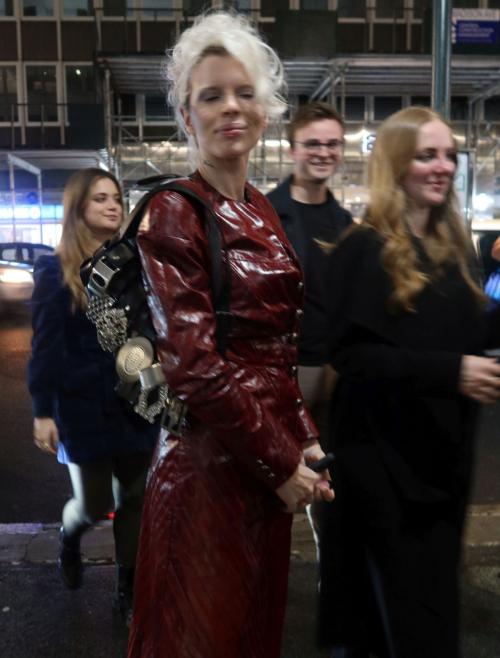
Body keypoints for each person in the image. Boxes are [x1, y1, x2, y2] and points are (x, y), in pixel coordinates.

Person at [127, 11, 334, 658]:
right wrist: (281, 461)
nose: (230, 108)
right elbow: (195, 368)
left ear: (266, 111)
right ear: (187, 118)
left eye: (244, 92)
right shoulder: (173, 211)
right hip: (206, 478)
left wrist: (305, 442)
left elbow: (276, 347)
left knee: (251, 637)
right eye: (210, 96)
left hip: (257, 468)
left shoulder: (259, 208)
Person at [317, 106, 500, 658]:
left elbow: (463, 329)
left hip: (441, 464)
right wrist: (452, 371)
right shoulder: (362, 246)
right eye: (427, 155)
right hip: (382, 467)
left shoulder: (452, 248)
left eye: (448, 154)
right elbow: (352, 356)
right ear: (397, 164)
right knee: (398, 621)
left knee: (432, 609)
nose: (442, 166)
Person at [28, 168, 159, 625]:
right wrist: (42, 410)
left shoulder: (136, 263)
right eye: (101, 198)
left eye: (117, 198)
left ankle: (126, 588)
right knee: (92, 502)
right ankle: (69, 535)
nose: (114, 205)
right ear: (78, 208)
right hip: (82, 405)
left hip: (136, 399)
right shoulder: (54, 267)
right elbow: (45, 345)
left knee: (134, 497)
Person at [267, 101, 353, 549]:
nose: (324, 152)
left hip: (336, 373)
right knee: (275, 481)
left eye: (333, 143)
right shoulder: (264, 214)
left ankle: (327, 575)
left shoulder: (347, 225)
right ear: (292, 148)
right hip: (284, 372)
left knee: (326, 484)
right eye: (313, 143)